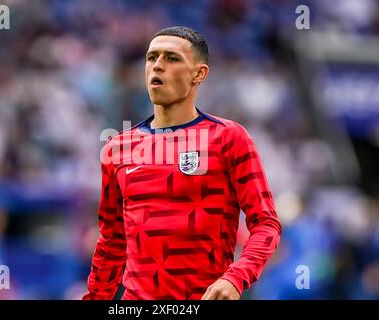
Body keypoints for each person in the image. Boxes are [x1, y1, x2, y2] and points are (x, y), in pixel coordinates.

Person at [83, 26, 281, 300]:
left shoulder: (228, 138)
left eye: (172, 58)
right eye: (152, 58)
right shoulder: (118, 148)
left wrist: (236, 278)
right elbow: (112, 241)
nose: (157, 66)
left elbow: (266, 224)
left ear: (199, 74)